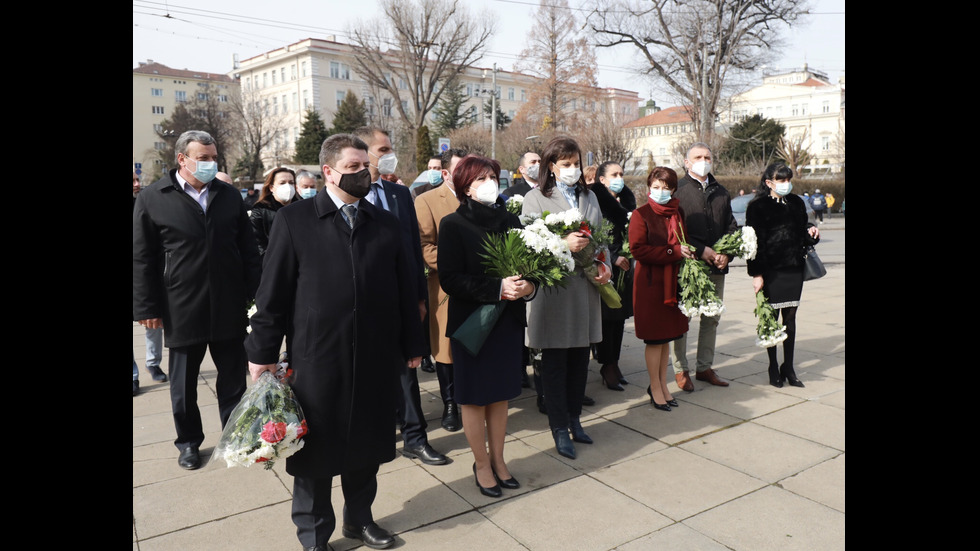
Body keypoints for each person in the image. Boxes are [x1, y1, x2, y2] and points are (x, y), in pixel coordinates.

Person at [245, 133, 424, 551]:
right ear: (329, 171)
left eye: (367, 166)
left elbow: (406, 290)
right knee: (315, 456)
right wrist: (262, 356)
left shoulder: (385, 222)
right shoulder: (296, 221)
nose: (365, 173)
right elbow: (271, 297)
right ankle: (314, 535)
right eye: (355, 167)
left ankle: (359, 520)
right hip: (317, 358)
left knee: (368, 445)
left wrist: (413, 345)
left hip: (376, 355)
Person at [133, 130, 262, 470]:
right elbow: (142, 257)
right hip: (181, 303)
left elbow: (248, 250)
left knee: (232, 379)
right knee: (183, 383)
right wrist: (146, 307)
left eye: (212, 157)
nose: (209, 163)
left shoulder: (229, 196)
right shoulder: (153, 196)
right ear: (182, 159)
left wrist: (258, 294)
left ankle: (235, 435)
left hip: (228, 302)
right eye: (202, 158)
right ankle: (189, 442)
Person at [438, 154, 535, 498]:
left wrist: (528, 286)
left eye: (492, 176)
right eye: (479, 179)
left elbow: (529, 267)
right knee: (475, 398)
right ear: (464, 186)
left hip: (506, 323)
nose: (488, 183)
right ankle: (481, 464)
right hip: (473, 326)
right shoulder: (453, 224)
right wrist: (497, 288)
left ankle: (500, 459)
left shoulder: (511, 221)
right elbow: (450, 279)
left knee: (501, 397)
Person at [353, 125, 448, 465]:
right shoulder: (348, 196)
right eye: (384, 149)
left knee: (407, 373)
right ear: (363, 154)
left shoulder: (398, 195)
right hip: (359, 306)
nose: (390, 154)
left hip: (399, 302)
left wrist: (419, 300)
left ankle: (414, 437)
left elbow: (411, 250)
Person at [521, 136, 611, 460]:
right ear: (552, 167)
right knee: (555, 367)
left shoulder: (590, 197)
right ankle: (559, 427)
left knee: (579, 363)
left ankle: (575, 419)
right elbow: (530, 246)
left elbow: (602, 241)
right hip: (554, 295)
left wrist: (606, 267)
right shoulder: (535, 198)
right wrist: (563, 243)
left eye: (576, 163)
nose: (573, 169)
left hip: (585, 292)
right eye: (566, 164)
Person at [669, 142, 738, 392]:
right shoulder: (677, 190)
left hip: (717, 266)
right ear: (687, 162)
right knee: (683, 318)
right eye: (697, 157)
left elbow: (731, 225)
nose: (703, 160)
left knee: (711, 317)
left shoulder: (721, 191)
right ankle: (680, 369)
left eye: (707, 156)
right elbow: (675, 230)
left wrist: (726, 252)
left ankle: (704, 367)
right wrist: (702, 250)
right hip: (689, 266)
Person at [746, 163, 819, 388]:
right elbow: (752, 243)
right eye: (781, 180)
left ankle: (788, 366)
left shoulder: (797, 202)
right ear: (769, 182)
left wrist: (812, 233)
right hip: (770, 271)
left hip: (793, 268)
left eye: (788, 179)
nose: (786, 184)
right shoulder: (757, 207)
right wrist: (756, 273)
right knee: (771, 319)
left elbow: (801, 234)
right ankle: (772, 365)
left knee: (790, 319)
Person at [630, 167, 695, 411]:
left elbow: (683, 240)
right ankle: (654, 386)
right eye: (655, 187)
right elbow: (638, 250)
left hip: (673, 283)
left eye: (665, 187)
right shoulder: (641, 214)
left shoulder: (677, 212)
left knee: (667, 338)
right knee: (654, 340)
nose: (660, 192)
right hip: (650, 286)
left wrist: (686, 251)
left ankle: (663, 385)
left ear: (673, 189)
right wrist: (673, 252)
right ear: (649, 188)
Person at [414, 147, 468, 433]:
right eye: (460, 169)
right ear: (445, 173)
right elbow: (424, 246)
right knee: (445, 349)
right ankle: (450, 403)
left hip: (481, 288)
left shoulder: (481, 198)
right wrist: (459, 266)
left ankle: (471, 397)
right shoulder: (427, 201)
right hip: (446, 287)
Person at [590, 161, 635, 391]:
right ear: (602, 179)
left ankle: (614, 363)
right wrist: (614, 255)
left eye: (621, 174)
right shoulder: (595, 200)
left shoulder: (626, 200)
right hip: (605, 268)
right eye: (614, 174)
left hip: (624, 270)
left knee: (619, 320)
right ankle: (606, 365)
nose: (619, 178)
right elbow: (594, 233)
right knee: (607, 321)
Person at [133, 171, 168, 387]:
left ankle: (153, 363)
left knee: (153, 320)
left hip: (146, 273)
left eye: (137, 180)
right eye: (133, 181)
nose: (137, 184)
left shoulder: (146, 204)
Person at [249, 167, 299, 256]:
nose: (288, 186)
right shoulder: (261, 210)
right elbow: (256, 242)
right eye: (282, 183)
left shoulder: (301, 207)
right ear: (271, 187)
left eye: (291, 183)